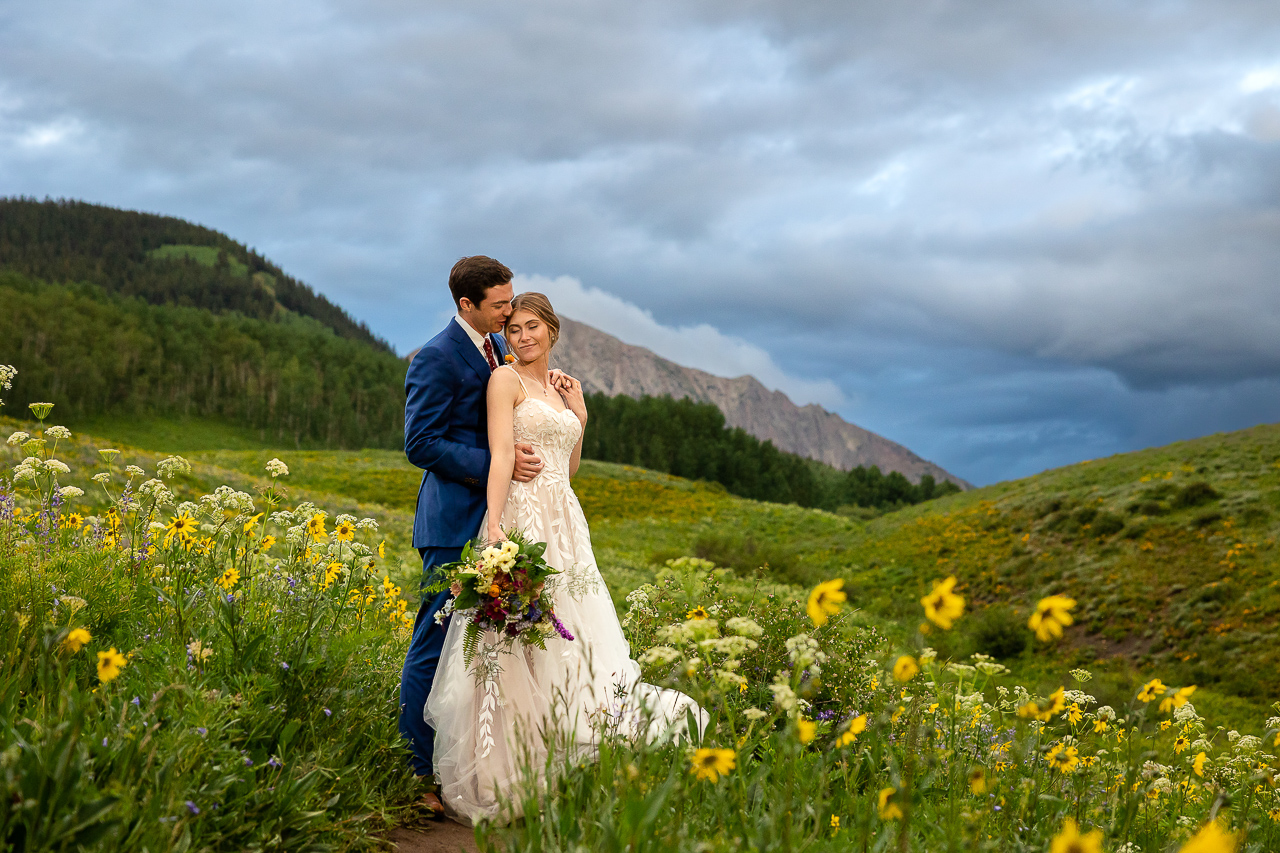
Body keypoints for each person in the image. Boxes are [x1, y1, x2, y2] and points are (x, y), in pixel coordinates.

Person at [425, 291, 705, 825]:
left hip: (568, 522)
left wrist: (579, 412)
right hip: (527, 517)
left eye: (533, 327)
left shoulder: (560, 388)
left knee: (574, 632)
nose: (523, 336)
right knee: (518, 640)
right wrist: (495, 526)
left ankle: (565, 753)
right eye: (515, 328)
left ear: (552, 330)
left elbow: (567, 467)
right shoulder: (503, 380)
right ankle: (505, 768)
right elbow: (503, 454)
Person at [399, 256, 546, 817]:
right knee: (434, 645)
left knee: (487, 650)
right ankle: (415, 777)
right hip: (452, 525)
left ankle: (473, 768)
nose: (510, 311)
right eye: (499, 304)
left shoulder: (496, 349)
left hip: (497, 523)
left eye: (511, 300)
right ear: (467, 305)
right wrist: (498, 462)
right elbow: (421, 443)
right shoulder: (436, 358)